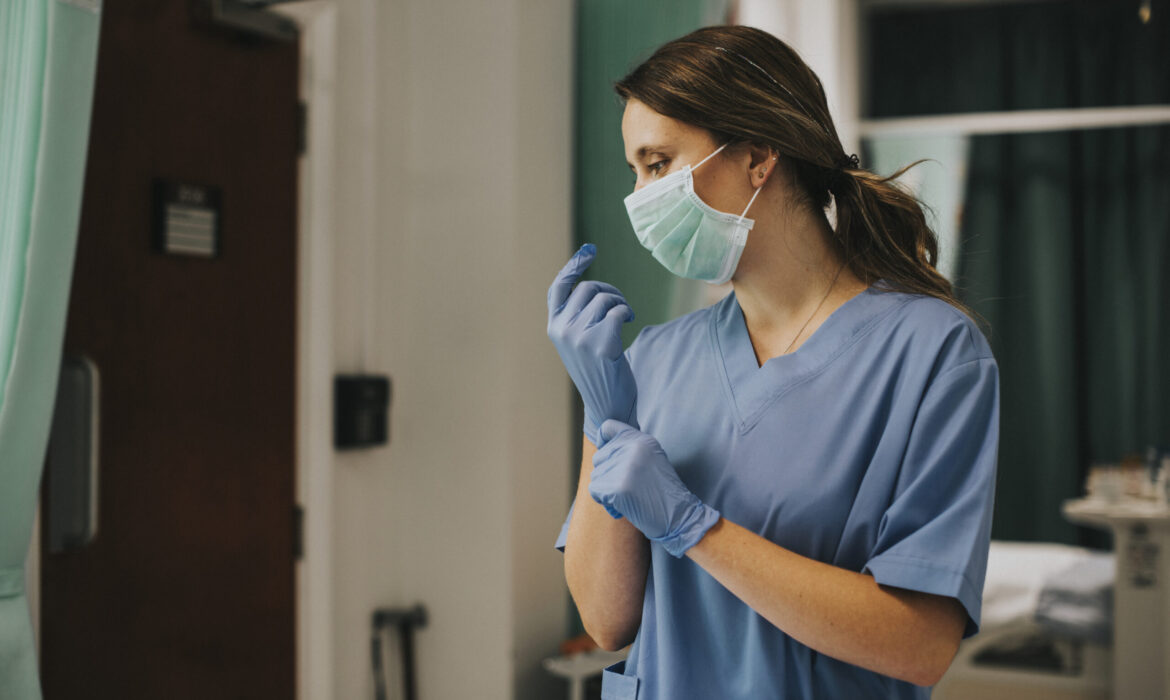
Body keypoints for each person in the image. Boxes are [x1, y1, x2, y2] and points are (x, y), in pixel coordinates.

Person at [546, 25, 999, 700]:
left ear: (758, 155)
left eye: (660, 163)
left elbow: (921, 644)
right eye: (634, 170)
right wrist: (603, 416)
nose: (640, 197)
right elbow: (608, 620)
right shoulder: (654, 361)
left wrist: (694, 527)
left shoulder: (931, 352)